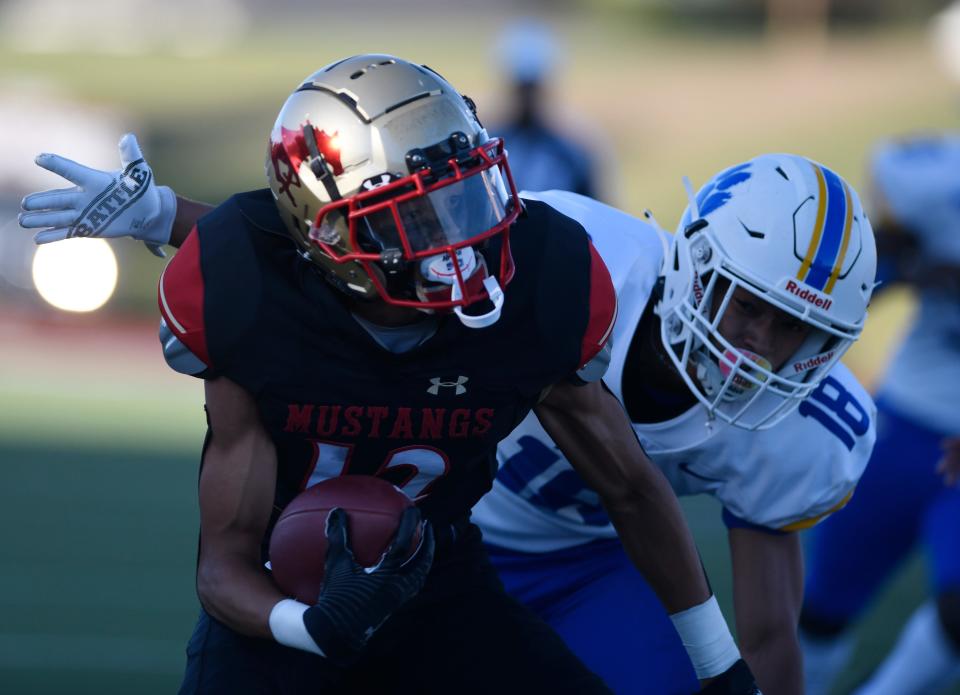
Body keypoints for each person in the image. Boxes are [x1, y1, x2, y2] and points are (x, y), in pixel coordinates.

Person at [18, 55, 759, 694]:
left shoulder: (540, 283)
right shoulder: (247, 297)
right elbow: (224, 566)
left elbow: (630, 484)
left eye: (465, 197)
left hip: (437, 574)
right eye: (420, 219)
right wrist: (313, 624)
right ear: (334, 233)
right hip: (283, 593)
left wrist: (721, 667)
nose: (462, 243)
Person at [468, 154, 879, 694]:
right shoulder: (575, 261)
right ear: (698, 265)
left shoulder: (805, 431)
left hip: (583, 567)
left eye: (794, 328)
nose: (761, 347)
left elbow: (769, 638)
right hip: (445, 529)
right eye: (750, 306)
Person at [798, 133, 960, 695]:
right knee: (823, 608)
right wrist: (908, 262)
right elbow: (852, 279)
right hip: (905, 423)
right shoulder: (935, 177)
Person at [487, 20, 604, 199]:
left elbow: (593, 213)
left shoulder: (571, 154)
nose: (527, 98)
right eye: (522, 88)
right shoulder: (489, 147)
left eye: (532, 88)